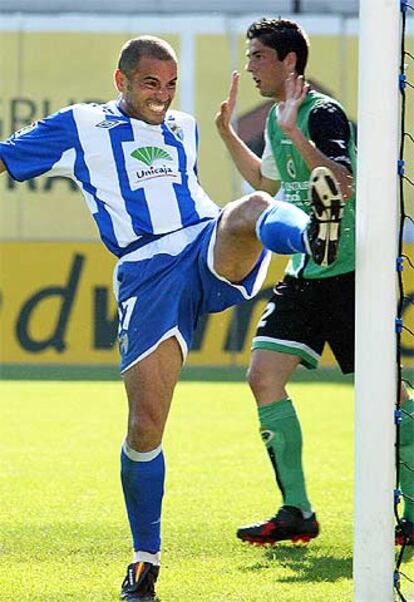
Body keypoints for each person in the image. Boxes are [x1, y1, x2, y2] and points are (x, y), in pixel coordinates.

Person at [0, 36, 345, 601]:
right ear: (122, 81)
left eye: (170, 85)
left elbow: (211, 190)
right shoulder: (81, 126)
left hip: (206, 243)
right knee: (146, 427)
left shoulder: (182, 127)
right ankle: (144, 561)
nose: (162, 97)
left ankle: (312, 235)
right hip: (147, 274)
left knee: (251, 210)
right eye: (149, 84)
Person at [216, 17, 414, 548]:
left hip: (352, 276)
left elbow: (342, 181)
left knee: (387, 395)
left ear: (288, 61)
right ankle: (297, 510)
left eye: (258, 56)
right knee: (263, 376)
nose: (251, 65)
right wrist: (228, 134)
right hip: (306, 274)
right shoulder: (283, 118)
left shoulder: (318, 112)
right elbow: (264, 180)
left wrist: (295, 134)